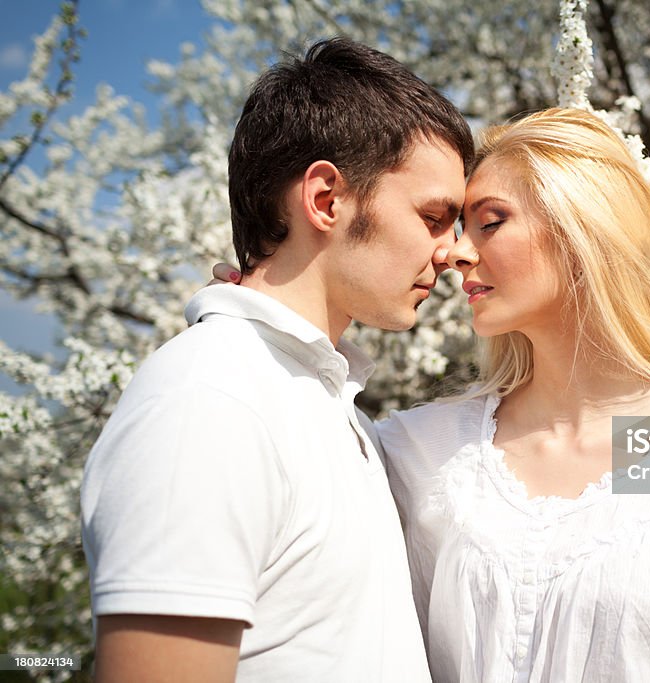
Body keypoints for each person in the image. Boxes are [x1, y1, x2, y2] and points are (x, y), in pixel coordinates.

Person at [209, 108, 650, 680]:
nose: (456, 252)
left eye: (490, 222)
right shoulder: (417, 447)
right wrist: (271, 331)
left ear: (584, 231)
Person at [80, 37, 473, 682]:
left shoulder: (316, 398)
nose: (454, 252)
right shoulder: (209, 402)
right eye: (434, 217)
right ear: (325, 200)